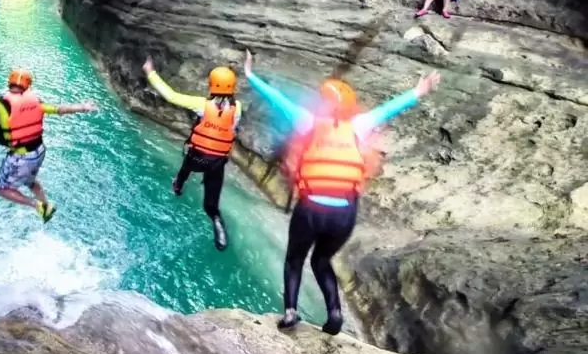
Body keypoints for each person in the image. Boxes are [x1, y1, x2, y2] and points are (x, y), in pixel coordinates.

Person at [243, 50, 441, 335]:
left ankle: (290, 312)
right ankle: (335, 312)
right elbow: (390, 108)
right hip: (343, 213)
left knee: (295, 259)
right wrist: (419, 90)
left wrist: (250, 74)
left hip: (311, 208)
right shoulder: (359, 126)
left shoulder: (307, 120)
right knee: (322, 260)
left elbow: (276, 99)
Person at [0, 69, 96, 222]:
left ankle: (37, 205)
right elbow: (59, 109)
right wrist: (83, 107)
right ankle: (47, 206)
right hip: (39, 151)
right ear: (27, 87)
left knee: (1, 189)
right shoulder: (36, 102)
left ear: (9, 83)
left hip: (21, 155)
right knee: (30, 181)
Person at [142, 58, 243, 251]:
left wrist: (150, 72)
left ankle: (178, 187)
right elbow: (231, 126)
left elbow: (171, 96)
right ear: (233, 88)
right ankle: (218, 226)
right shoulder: (236, 108)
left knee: (185, 168)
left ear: (210, 85)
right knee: (210, 206)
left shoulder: (201, 104)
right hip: (217, 163)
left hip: (197, 157)